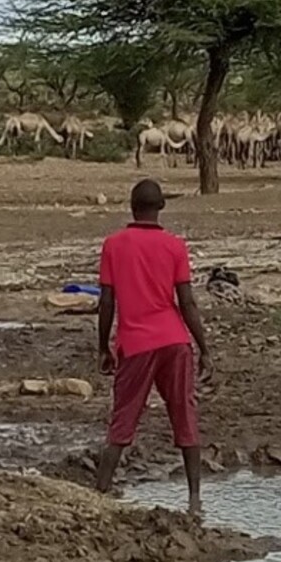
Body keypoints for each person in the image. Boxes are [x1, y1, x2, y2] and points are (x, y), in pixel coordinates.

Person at [94, 178, 213, 515]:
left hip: (136, 344)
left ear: (132, 207)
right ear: (160, 208)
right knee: (184, 416)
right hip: (175, 341)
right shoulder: (175, 246)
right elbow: (187, 302)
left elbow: (106, 302)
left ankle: (100, 493)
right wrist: (204, 348)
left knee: (123, 420)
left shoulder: (113, 245)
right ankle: (194, 499)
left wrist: (103, 347)